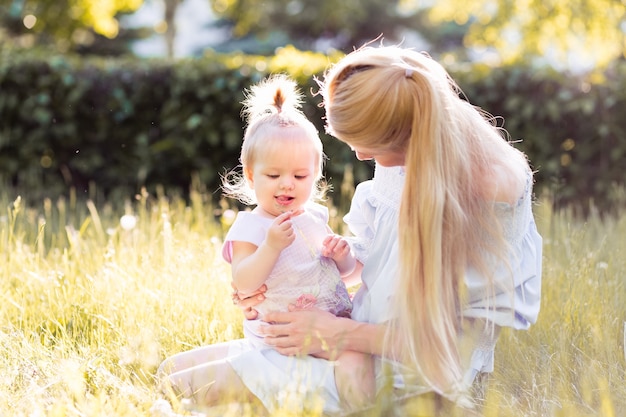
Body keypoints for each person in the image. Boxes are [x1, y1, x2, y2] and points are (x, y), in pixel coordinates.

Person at [236, 44, 543, 409]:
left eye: (366, 145)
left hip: (408, 376)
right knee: (171, 371)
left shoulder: (490, 187)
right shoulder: (407, 151)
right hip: (353, 340)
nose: (362, 156)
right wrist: (274, 281)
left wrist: (337, 334)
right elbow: (376, 267)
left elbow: (450, 345)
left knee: (188, 385)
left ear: (401, 134)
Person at [156, 74, 375, 414]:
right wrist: (270, 246)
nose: (286, 184)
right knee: (169, 373)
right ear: (251, 174)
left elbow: (339, 278)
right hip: (276, 339)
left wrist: (343, 258)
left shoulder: (314, 218)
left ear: (315, 175)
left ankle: (358, 407)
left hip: (327, 332)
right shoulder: (252, 227)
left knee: (356, 359)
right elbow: (244, 282)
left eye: (300, 176)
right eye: (274, 176)